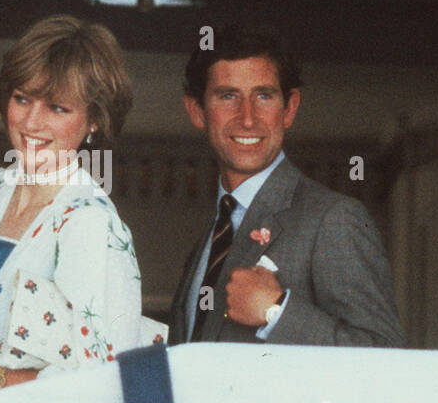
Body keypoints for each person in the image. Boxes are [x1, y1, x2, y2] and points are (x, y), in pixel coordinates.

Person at [0, 15, 153, 391]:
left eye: (58, 108)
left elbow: (102, 385)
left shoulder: (90, 223)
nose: (32, 122)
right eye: (22, 99)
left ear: (94, 121)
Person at [169, 27, 404, 347]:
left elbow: (384, 354)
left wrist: (276, 311)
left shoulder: (334, 218)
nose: (248, 118)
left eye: (263, 95)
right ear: (197, 111)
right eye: (228, 96)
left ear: (290, 108)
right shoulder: (212, 234)